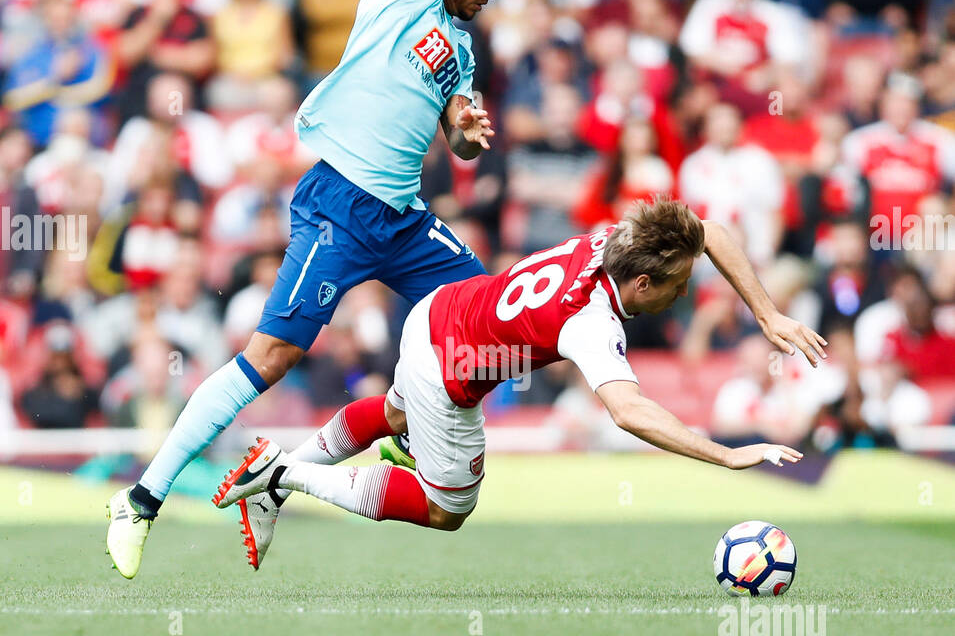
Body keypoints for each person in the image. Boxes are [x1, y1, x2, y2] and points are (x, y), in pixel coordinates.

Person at [106, 0, 594, 578]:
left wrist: (463, 129)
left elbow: (457, 141)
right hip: (339, 203)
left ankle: (318, 458)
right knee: (272, 355)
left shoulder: (459, 46)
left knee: (491, 325)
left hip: (401, 219)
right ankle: (140, 498)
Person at [212, 198, 827, 550]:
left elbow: (711, 231)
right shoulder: (590, 322)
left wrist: (767, 312)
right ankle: (281, 474)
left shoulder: (612, 241)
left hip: (441, 311)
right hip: (449, 368)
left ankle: (276, 480)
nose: (684, 292)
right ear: (643, 283)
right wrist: (725, 455)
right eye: (678, 285)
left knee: (394, 416)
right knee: (446, 508)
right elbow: (629, 411)